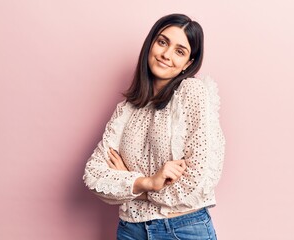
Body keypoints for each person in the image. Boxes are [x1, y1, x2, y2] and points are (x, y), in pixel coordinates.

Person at [83, 13, 225, 240]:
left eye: (180, 51)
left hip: (182, 229)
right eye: (162, 42)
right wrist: (149, 182)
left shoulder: (191, 93)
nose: (166, 55)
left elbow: (197, 181)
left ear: (188, 63)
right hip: (131, 230)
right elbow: (94, 176)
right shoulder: (127, 109)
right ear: (151, 45)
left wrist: (133, 187)